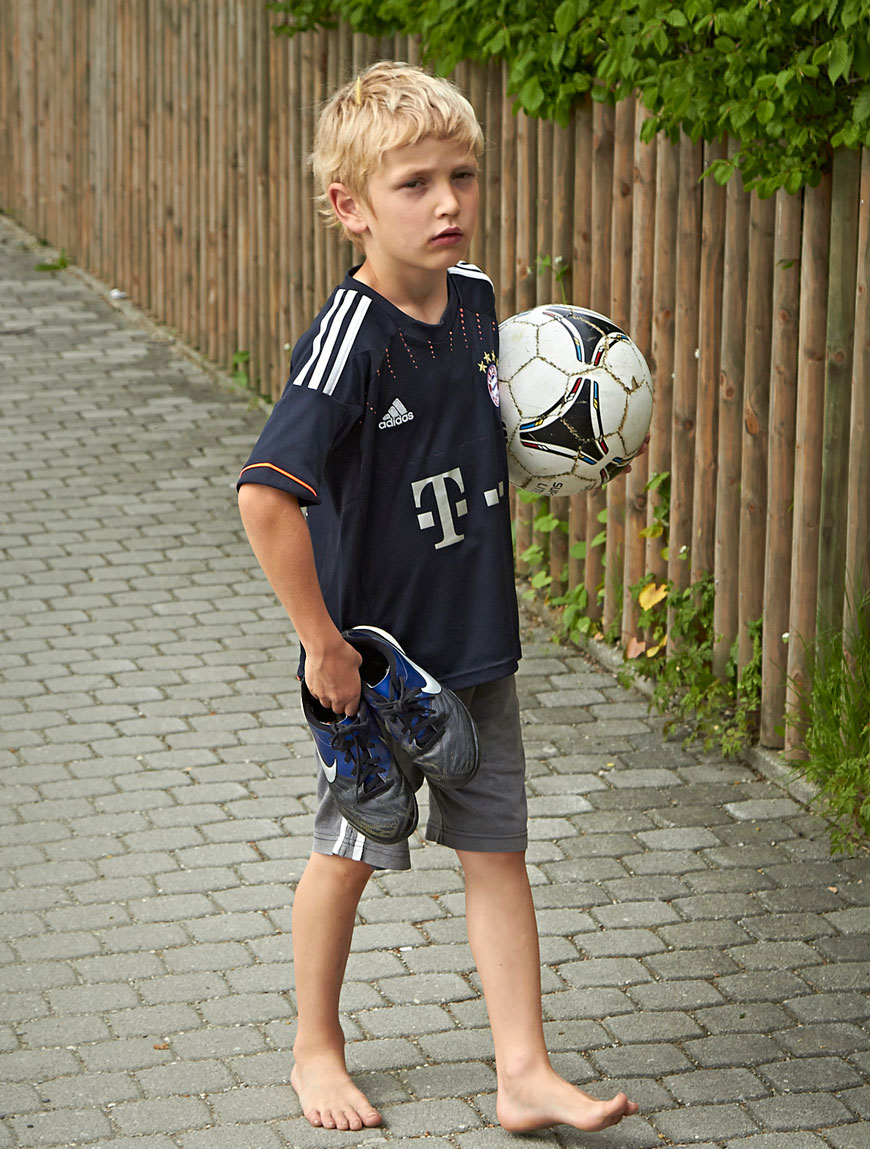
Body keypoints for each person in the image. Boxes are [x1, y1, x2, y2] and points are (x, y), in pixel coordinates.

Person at [237, 60, 639, 1136]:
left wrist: (573, 447)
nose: (449, 202)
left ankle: (524, 1072)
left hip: (478, 645)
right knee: (350, 850)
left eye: (462, 175)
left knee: (498, 849)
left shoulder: (479, 304)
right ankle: (314, 1047)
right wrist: (324, 649)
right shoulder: (347, 339)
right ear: (349, 208)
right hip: (379, 668)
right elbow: (265, 499)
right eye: (414, 183)